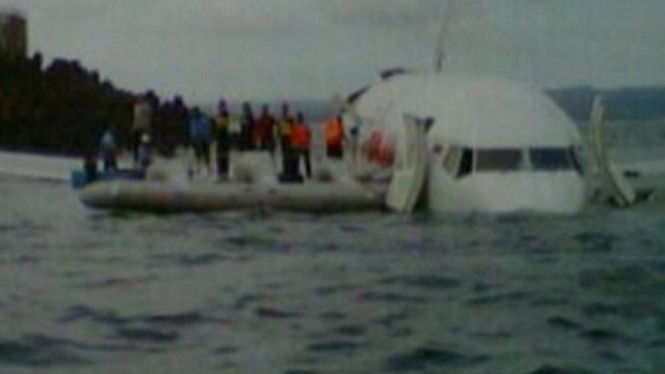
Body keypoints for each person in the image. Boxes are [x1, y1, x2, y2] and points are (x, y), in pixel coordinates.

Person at [189, 107, 212, 175]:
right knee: (198, 154)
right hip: (197, 138)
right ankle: (198, 168)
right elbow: (192, 129)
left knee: (206, 153)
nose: (192, 114)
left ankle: (208, 168)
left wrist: (207, 135)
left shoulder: (203, 118)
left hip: (204, 138)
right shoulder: (193, 119)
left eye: (193, 112)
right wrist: (193, 137)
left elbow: (207, 127)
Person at [290, 112, 312, 180]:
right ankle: (296, 173)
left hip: (304, 146)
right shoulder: (294, 126)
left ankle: (308, 174)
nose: (300, 119)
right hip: (297, 146)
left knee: (307, 161)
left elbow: (308, 135)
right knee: (296, 161)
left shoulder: (305, 126)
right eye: (299, 117)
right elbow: (292, 136)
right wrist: (293, 144)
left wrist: (307, 142)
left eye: (300, 117)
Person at [132, 96, 152, 162]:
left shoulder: (136, 107)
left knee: (137, 143)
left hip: (137, 128)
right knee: (145, 143)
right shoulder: (147, 107)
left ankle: (136, 157)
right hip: (144, 129)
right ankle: (145, 157)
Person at [214, 100, 231, 180]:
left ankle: (224, 173)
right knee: (220, 156)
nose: (220, 108)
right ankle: (221, 173)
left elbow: (223, 127)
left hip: (224, 138)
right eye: (220, 106)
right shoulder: (220, 115)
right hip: (220, 139)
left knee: (224, 156)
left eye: (221, 106)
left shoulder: (225, 115)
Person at [277, 103, 294, 178]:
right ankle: (285, 170)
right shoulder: (280, 119)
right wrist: (279, 136)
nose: (284, 111)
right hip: (283, 138)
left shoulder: (290, 119)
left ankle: (289, 170)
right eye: (283, 109)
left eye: (285, 109)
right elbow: (278, 129)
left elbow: (293, 129)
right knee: (284, 155)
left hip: (289, 138)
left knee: (289, 155)